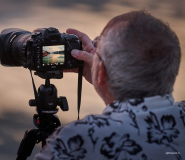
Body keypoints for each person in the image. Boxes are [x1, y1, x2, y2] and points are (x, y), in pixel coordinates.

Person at [34, 10, 185, 160]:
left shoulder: (79, 141)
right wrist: (106, 82)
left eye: (97, 50)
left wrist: (105, 81)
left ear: (102, 73)